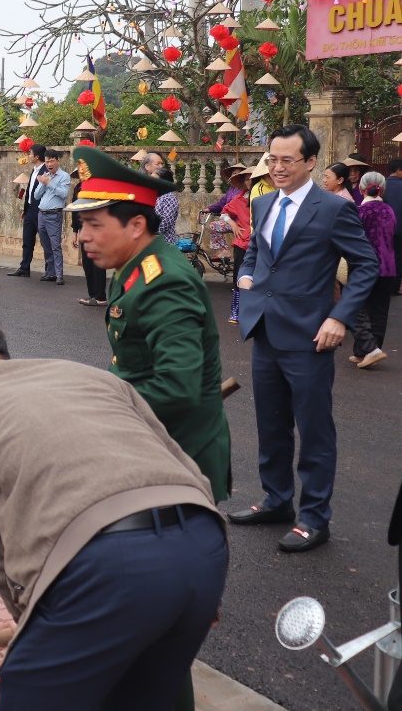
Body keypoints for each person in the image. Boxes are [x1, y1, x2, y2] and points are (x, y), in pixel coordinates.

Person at [0, 310, 228, 711]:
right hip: (203, 546)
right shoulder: (88, 376)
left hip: (108, 565)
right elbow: (182, 462)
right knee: (141, 700)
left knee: (28, 695)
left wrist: (30, 626)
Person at [232, 124, 378, 553]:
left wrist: (339, 318)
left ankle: (315, 518)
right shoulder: (263, 206)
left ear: (310, 162)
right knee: (271, 424)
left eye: (287, 160)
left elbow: (365, 265)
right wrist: (247, 273)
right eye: (271, 159)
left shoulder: (332, 209)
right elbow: (259, 250)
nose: (276, 168)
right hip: (264, 330)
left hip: (312, 337)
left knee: (314, 431)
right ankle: (277, 500)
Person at [68, 145, 232, 507]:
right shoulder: (136, 264)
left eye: (94, 225)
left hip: (175, 459)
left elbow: (176, 386)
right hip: (150, 447)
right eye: (82, 225)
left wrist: (93, 416)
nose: (83, 237)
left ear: (137, 225)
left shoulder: (164, 281)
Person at [349, 171, 396, 369]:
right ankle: (370, 350)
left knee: (356, 307)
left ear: (361, 189)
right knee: (379, 311)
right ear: (382, 189)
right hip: (388, 266)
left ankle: (366, 350)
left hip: (364, 266)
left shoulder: (359, 211)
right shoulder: (389, 211)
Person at [68, 171, 107, 307]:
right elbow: (74, 211)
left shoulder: (98, 188)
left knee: (97, 262)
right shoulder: (78, 188)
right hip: (83, 228)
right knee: (87, 263)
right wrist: (74, 232)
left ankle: (100, 296)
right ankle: (92, 294)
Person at [8, 143, 48, 277]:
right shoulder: (34, 170)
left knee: (45, 241)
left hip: (41, 210)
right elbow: (29, 191)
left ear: (37, 156)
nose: (28, 156)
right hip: (30, 209)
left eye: (30, 153)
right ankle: (24, 267)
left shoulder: (46, 171)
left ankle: (50, 270)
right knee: (27, 240)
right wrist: (25, 208)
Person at [33, 149, 70, 285]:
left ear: (57, 161)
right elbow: (36, 196)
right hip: (41, 214)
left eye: (51, 161)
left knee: (55, 246)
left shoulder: (64, 176)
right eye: (47, 161)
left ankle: (59, 274)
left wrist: (49, 183)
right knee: (45, 244)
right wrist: (43, 182)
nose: (49, 164)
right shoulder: (45, 175)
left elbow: (63, 194)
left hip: (54, 215)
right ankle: (50, 272)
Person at [222, 168, 253, 325]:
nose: (249, 181)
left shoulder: (269, 196)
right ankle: (236, 310)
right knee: (239, 275)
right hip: (242, 242)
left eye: (252, 178)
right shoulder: (239, 199)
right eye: (246, 179)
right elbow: (224, 213)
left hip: (262, 243)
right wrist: (233, 224)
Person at [383, 158, 402, 294]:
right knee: (398, 257)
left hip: (383, 228)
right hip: (400, 229)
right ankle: (394, 287)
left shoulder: (381, 185)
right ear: (399, 171)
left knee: (384, 255)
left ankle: (383, 284)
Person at [154, 167, 179, 245]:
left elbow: (167, 221)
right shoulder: (157, 196)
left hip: (164, 242)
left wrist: (150, 232)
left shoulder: (169, 197)